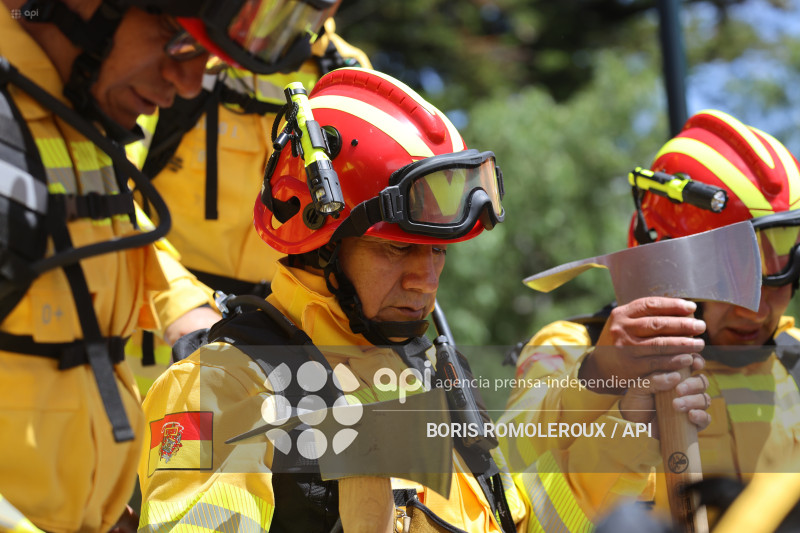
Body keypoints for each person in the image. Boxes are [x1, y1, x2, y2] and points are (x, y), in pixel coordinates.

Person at [138, 67, 531, 532]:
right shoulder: (215, 391)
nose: (426, 280)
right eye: (397, 248)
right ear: (319, 242)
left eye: (437, 250)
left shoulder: (433, 381)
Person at [0, 0, 333, 530]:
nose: (188, 84)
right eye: (175, 37)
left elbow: (117, 236)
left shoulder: (76, 117)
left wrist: (192, 312)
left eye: (205, 57)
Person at [499, 109, 800, 528]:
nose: (759, 311)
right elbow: (507, 484)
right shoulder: (574, 349)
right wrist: (616, 409)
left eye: (779, 284)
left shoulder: (794, 358)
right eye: (733, 289)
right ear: (664, 261)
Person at [125, 15, 371, 397]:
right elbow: (107, 189)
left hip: (282, 341)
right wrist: (182, 307)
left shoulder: (349, 73)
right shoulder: (184, 46)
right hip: (159, 337)